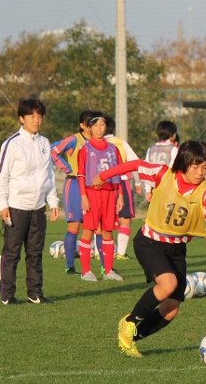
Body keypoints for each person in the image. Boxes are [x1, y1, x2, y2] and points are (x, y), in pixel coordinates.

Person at [93, 140, 206, 357]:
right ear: (183, 162)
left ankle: (131, 337)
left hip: (177, 250)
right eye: (195, 166)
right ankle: (129, 322)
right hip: (149, 242)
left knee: (171, 309)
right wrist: (104, 175)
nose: (200, 172)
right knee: (168, 283)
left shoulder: (205, 192)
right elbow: (134, 165)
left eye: (205, 167)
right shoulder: (163, 174)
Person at [0, 99, 59, 305]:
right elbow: (1, 176)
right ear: (22, 118)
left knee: (35, 253)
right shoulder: (12, 144)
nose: (36, 120)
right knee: (12, 253)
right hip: (16, 206)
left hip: (38, 207)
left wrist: (52, 201)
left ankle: (35, 293)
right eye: (32, 116)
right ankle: (7, 295)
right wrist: (2, 205)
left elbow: (48, 174)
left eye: (39, 116)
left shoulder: (44, 143)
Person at [76, 112, 124, 282]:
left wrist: (120, 196)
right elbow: (81, 174)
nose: (99, 129)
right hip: (92, 193)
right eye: (95, 125)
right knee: (88, 230)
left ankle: (108, 270)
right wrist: (83, 195)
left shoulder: (113, 148)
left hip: (110, 194)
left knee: (108, 231)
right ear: (89, 128)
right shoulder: (85, 149)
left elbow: (119, 173)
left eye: (102, 125)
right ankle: (86, 271)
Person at [50, 110, 93, 274]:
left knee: (95, 227)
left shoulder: (98, 142)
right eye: (89, 123)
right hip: (74, 185)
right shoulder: (75, 139)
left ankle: (103, 268)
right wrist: (66, 167)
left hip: (91, 187)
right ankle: (70, 265)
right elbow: (52, 150)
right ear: (82, 125)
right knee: (74, 226)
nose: (92, 126)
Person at [104, 115, 142, 261]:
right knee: (124, 218)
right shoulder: (120, 143)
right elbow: (135, 163)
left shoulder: (94, 144)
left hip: (102, 184)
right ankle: (120, 253)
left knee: (101, 219)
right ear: (113, 128)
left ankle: (98, 252)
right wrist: (138, 183)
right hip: (122, 181)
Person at [144, 120, 179, 202]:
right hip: (168, 188)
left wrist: (148, 190)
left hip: (154, 187)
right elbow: (172, 169)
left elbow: (146, 169)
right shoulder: (173, 149)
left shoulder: (151, 149)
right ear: (172, 135)